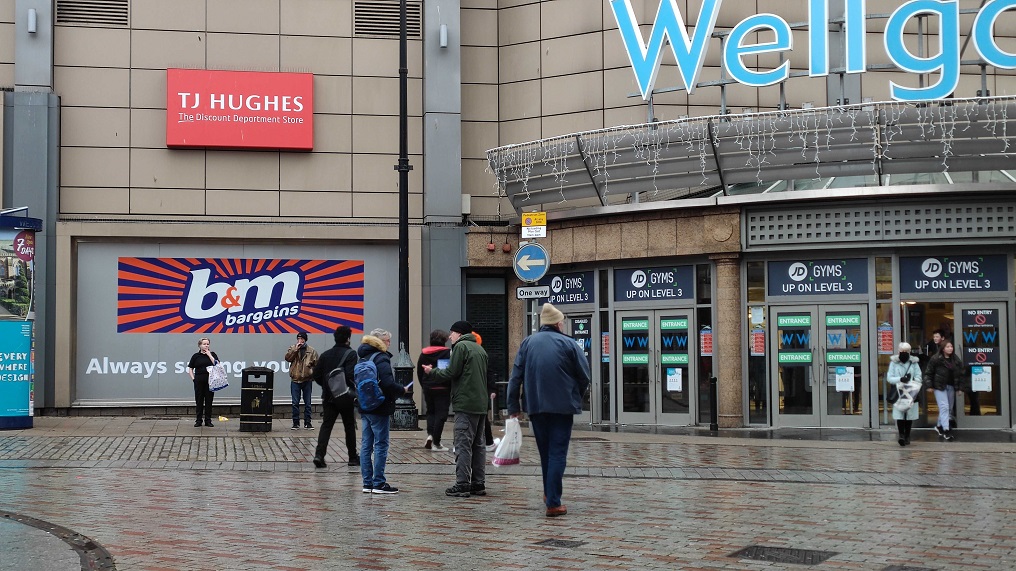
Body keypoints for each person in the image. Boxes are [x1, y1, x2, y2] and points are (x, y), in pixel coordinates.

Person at [507, 303, 591, 517]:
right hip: (562, 408)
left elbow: (515, 377)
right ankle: (553, 502)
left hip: (536, 407)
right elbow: (584, 376)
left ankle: (548, 492)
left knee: (546, 453)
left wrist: (513, 407)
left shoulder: (527, 343)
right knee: (557, 453)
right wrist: (575, 396)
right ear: (558, 323)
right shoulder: (568, 343)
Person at [421, 320, 489, 498]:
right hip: (480, 403)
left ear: (459, 333)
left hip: (465, 402)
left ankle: (462, 484)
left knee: (463, 444)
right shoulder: (480, 349)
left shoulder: (461, 347)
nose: (450, 336)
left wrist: (432, 372)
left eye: (452, 333)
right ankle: (478, 483)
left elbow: (452, 372)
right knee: (478, 445)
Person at [357, 328, 408, 494]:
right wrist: (402, 390)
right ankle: (378, 483)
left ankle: (367, 483)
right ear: (378, 341)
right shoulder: (381, 358)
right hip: (379, 406)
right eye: (387, 340)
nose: (389, 343)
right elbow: (387, 383)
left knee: (366, 445)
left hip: (365, 405)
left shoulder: (363, 356)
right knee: (381, 444)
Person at [312, 325, 359, 468]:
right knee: (349, 426)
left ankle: (319, 455)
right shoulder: (351, 354)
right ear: (348, 338)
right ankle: (352, 457)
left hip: (329, 396)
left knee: (326, 425)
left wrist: (328, 386)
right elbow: (351, 375)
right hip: (345, 396)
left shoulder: (326, 354)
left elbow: (316, 375)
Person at [417, 329, 452, 452]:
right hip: (443, 387)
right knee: (441, 415)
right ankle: (436, 442)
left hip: (428, 387)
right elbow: (450, 371)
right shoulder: (448, 353)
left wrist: (424, 384)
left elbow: (419, 372)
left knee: (431, 412)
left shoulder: (424, 353)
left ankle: (430, 435)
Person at [925, 340, 965, 441]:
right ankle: (947, 430)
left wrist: (960, 388)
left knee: (948, 409)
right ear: (943, 349)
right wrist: (929, 385)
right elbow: (929, 372)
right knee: (944, 407)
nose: (950, 348)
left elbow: (961, 374)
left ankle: (939, 426)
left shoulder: (955, 359)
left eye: (951, 346)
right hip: (939, 386)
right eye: (948, 347)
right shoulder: (936, 359)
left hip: (951, 386)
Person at [886, 342, 922, 446]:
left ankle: (907, 435)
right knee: (899, 414)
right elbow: (890, 378)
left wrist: (913, 382)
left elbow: (919, 376)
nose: (904, 353)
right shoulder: (893, 363)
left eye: (907, 351)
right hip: (898, 391)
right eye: (902, 351)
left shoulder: (914, 363)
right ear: (899, 351)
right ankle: (901, 435)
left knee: (909, 415)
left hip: (911, 391)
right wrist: (900, 379)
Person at [285, 331, 318, 430]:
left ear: (305, 339)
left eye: (302, 339)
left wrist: (312, 373)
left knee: (307, 403)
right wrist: (295, 349)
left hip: (307, 380)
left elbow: (316, 365)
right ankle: (296, 423)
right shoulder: (293, 348)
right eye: (299, 339)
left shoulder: (311, 351)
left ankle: (308, 423)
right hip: (295, 380)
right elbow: (287, 358)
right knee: (295, 402)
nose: (300, 340)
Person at [186, 337, 219, 428]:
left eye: (208, 344)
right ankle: (198, 420)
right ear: (200, 345)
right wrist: (193, 379)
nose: (206, 345)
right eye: (204, 344)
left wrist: (209, 355)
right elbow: (190, 368)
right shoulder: (196, 356)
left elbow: (217, 364)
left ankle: (208, 420)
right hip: (199, 380)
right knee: (199, 400)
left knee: (209, 400)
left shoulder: (212, 354)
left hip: (210, 380)